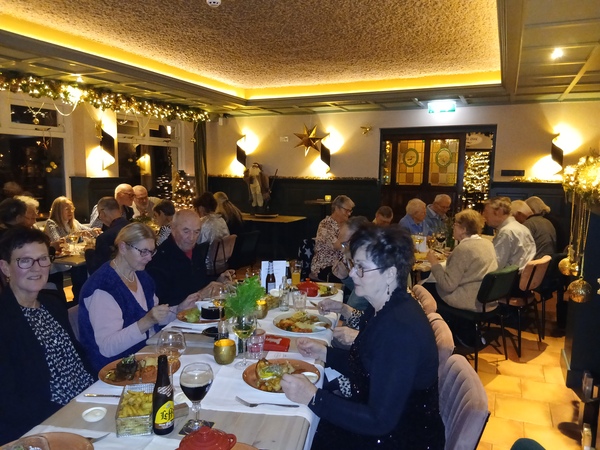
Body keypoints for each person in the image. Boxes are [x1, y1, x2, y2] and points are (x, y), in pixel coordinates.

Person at [281, 226, 444, 449]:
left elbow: (379, 421)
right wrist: (325, 353)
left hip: (399, 438)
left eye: (361, 267)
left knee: (298, 434)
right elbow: (365, 365)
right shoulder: (383, 307)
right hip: (381, 423)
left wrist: (313, 396)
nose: (351, 274)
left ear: (390, 273)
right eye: (353, 265)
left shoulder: (399, 330)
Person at [0, 227, 93, 444]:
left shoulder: (52, 302)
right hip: (46, 421)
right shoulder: (4, 321)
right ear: (5, 267)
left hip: (87, 401)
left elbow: (77, 357)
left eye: (42, 259)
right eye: (25, 261)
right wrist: (71, 414)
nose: (37, 268)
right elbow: (9, 402)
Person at [79, 223, 198, 372]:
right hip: (117, 370)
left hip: (145, 355)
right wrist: (146, 322)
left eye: (152, 252)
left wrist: (178, 310)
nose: (149, 258)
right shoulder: (103, 288)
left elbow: (155, 318)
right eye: (143, 252)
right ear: (123, 247)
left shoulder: (141, 276)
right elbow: (107, 348)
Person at [146, 209, 232, 307]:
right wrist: (200, 294)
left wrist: (218, 280)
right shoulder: (159, 260)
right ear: (173, 229)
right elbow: (163, 303)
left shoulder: (195, 250)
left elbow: (198, 281)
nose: (192, 238)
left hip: (197, 310)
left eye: (196, 232)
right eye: (186, 231)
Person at [424, 209, 498, 311]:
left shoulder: (464, 249)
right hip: (485, 299)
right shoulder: (487, 243)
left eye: (455, 225)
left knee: (424, 287)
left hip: (468, 300)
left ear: (463, 229)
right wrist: (454, 256)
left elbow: (447, 285)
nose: (453, 227)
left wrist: (434, 264)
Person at [43, 196, 94, 303]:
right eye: (67, 209)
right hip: (57, 262)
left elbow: (88, 230)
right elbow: (57, 241)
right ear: (58, 210)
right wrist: (75, 234)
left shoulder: (74, 222)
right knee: (79, 270)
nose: (71, 211)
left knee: (83, 267)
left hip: (71, 259)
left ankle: (80, 298)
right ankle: (77, 300)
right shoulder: (51, 223)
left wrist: (94, 231)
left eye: (72, 208)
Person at [482, 197, 536, 271]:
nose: (483, 215)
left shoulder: (506, 232)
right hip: (521, 274)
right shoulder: (522, 228)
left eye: (486, 212)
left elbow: (495, 265)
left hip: (510, 276)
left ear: (499, 212)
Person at [311, 195, 355, 282]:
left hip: (344, 266)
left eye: (350, 211)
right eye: (347, 210)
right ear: (337, 208)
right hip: (325, 266)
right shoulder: (326, 224)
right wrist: (348, 246)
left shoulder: (348, 224)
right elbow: (338, 246)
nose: (349, 214)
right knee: (349, 279)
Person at [85, 197, 130, 274]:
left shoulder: (104, 238)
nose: (100, 218)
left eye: (99, 215)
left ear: (102, 213)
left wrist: (88, 251)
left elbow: (97, 270)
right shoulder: (133, 227)